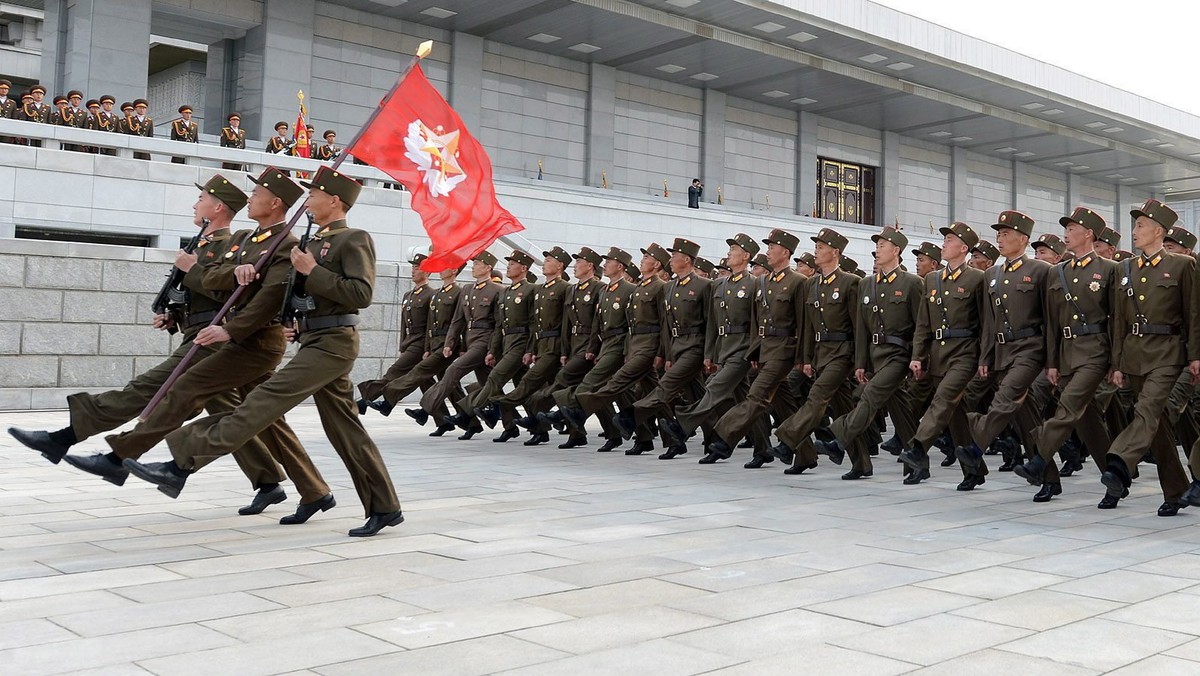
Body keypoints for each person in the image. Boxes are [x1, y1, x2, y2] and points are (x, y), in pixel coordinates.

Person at [6, 174, 315, 516]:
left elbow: (236, 293)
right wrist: (175, 313)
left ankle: (82, 443)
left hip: (226, 337)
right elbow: (217, 286)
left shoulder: (243, 243)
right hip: (220, 337)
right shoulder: (243, 241)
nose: (194, 205)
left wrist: (215, 290)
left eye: (201, 200)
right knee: (258, 417)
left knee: (157, 389)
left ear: (218, 207)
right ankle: (281, 483)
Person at [125, 166, 404, 536]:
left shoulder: (353, 239)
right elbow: (301, 295)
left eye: (315, 194)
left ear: (334, 200)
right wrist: (294, 317)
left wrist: (311, 270)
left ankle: (182, 461)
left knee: (262, 401)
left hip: (334, 344)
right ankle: (383, 507)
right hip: (314, 339)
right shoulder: (311, 240)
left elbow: (360, 295)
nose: (308, 200)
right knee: (345, 430)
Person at [1100, 199, 1198, 516]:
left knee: (1147, 410)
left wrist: (1195, 356)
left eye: (1141, 225)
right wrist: (1117, 363)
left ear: (1158, 230)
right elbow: (1118, 321)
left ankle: (1117, 462)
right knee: (1155, 426)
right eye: (1136, 225)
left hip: (1168, 352)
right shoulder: (1126, 269)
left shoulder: (1183, 266)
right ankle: (1176, 490)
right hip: (1135, 354)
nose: (1135, 231)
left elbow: (1193, 315)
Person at [1013, 207, 1119, 503]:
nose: (1067, 233)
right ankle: (1115, 478)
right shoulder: (1058, 272)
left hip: (1097, 351)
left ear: (1088, 234)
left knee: (1068, 405)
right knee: (1088, 421)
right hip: (1067, 353)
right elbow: (1052, 322)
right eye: (1066, 228)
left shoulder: (1110, 270)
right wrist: (1052, 361)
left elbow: (1118, 319)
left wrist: (1117, 361)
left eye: (1072, 229)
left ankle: (1039, 460)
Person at [822, 227, 922, 480]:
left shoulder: (911, 283)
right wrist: (861, 362)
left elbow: (922, 325)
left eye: (882, 245)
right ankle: (915, 463)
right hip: (875, 355)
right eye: (876, 246)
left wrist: (918, 357)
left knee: (869, 396)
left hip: (899, 355)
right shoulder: (867, 284)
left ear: (896, 251)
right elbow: (862, 328)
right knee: (900, 411)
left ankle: (838, 438)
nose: (877, 250)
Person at [959, 211, 1050, 491]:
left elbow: (1050, 319)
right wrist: (986, 356)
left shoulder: (1040, 271)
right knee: (1025, 417)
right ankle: (1048, 477)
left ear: (1023, 239)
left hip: (1030, 348)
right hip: (1002, 350)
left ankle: (976, 444)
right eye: (998, 234)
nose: (1000, 238)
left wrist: (1053, 360)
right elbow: (989, 321)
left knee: (1006, 394)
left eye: (1006, 233)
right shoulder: (991, 275)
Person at [705, 229, 807, 468]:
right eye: (768, 247)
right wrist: (754, 351)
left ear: (785, 252)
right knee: (785, 405)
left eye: (773, 247)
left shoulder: (798, 282)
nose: (768, 251)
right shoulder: (765, 282)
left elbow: (804, 324)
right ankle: (805, 455)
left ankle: (723, 436)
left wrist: (804, 357)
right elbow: (757, 322)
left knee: (756, 395)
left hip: (785, 350)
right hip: (765, 350)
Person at [899, 222, 987, 485]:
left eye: (949, 240)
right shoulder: (933, 279)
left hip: (965, 353)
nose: (944, 245)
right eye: (944, 240)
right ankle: (974, 471)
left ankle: (917, 446)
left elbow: (985, 323)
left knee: (942, 399)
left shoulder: (977, 279)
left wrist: (985, 358)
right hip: (939, 355)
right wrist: (918, 355)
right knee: (956, 414)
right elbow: (924, 323)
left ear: (963, 248)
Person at [770, 227, 862, 476]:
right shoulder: (813, 284)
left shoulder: (850, 283)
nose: (816, 251)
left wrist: (860, 361)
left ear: (835, 252)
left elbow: (858, 326)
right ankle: (862, 463)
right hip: (821, 353)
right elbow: (808, 327)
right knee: (843, 408)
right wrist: (806, 358)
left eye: (821, 247)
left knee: (817, 397)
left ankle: (787, 441)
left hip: (843, 352)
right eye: (816, 247)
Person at [679, 234, 768, 464]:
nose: (729, 253)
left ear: (746, 256)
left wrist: (756, 352)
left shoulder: (755, 283)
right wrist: (710, 353)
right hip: (725, 348)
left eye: (734, 250)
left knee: (714, 387)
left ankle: (682, 425)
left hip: (743, 349)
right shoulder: (719, 285)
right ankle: (763, 448)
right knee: (743, 400)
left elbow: (758, 322)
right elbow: (712, 324)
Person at [620, 238, 712, 460]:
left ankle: (630, 417)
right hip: (675, 347)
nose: (670, 260)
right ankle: (713, 441)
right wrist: (666, 354)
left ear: (687, 260)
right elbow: (667, 325)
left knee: (666, 387)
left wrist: (710, 355)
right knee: (700, 397)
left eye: (674, 256)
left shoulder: (703, 285)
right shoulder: (670, 287)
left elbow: (710, 323)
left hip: (695, 346)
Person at [420, 251, 502, 439]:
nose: (473, 266)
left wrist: (493, 349)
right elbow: (458, 320)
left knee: (453, 370)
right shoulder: (467, 290)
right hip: (471, 339)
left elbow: (499, 324)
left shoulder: (497, 290)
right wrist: (450, 343)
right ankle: (508, 422)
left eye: (478, 263)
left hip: (484, 340)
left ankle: (426, 409)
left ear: (488, 268)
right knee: (489, 384)